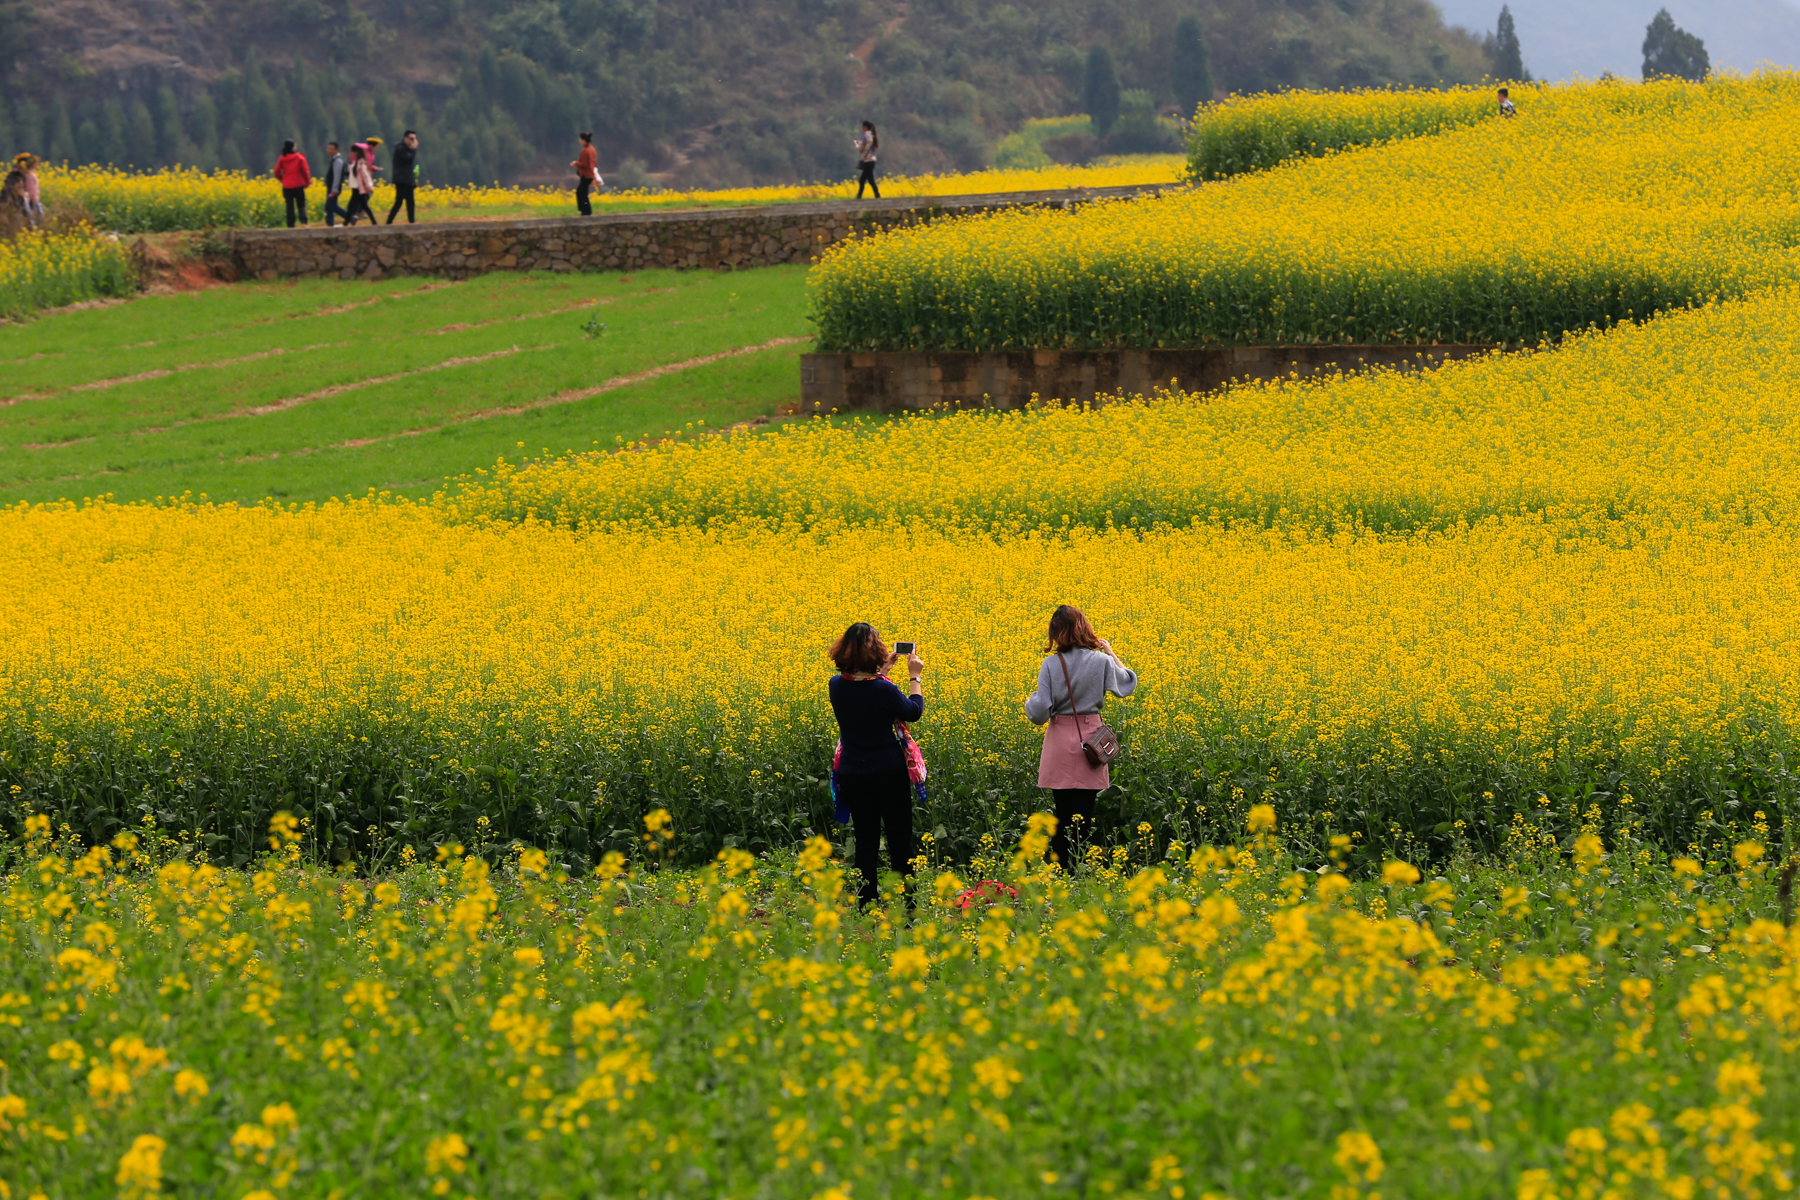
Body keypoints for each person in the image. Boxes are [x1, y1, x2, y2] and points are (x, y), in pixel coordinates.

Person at [1024, 605, 1137, 869]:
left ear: (1056, 633)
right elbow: (1127, 685)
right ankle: (1080, 870)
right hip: (1092, 741)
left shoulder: (1051, 664)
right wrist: (1110, 652)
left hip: (1060, 740)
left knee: (1062, 814)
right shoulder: (1102, 661)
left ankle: (1063, 871)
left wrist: (1030, 702)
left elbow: (1040, 712)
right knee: (1084, 814)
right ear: (1084, 628)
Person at [826, 622, 924, 911]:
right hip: (888, 772)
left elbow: (864, 690)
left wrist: (882, 673)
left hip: (853, 772)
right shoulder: (883, 689)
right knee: (899, 840)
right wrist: (914, 677)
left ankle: (865, 905)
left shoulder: (836, 685)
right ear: (876, 653)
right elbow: (913, 712)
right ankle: (908, 907)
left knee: (865, 841)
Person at [273, 140, 312, 228]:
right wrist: (307, 181)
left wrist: (283, 179)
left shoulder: (282, 158)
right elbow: (305, 171)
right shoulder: (299, 157)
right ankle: (303, 221)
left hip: (287, 186)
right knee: (301, 204)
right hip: (298, 185)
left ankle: (290, 224)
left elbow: (276, 172)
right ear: (293, 147)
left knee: (289, 206)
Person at [386, 129, 418, 224]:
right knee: (398, 202)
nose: (413, 141)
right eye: (411, 139)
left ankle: (411, 222)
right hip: (401, 180)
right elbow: (409, 159)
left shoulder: (408, 149)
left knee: (410, 203)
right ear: (405, 138)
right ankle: (389, 222)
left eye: (414, 139)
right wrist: (414, 149)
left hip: (408, 180)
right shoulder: (400, 148)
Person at [343, 143, 377, 226]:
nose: (351, 154)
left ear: (356, 153)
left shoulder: (360, 163)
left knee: (351, 206)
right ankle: (374, 222)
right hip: (357, 188)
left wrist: (368, 187)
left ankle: (345, 224)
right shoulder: (358, 162)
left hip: (358, 188)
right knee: (363, 206)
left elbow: (364, 176)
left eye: (352, 152)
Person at [321, 142, 349, 227]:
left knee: (331, 206)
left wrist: (334, 190)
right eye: (328, 149)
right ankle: (330, 223)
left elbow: (337, 176)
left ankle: (349, 217)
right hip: (332, 188)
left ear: (337, 150)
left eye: (331, 149)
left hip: (334, 188)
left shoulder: (338, 161)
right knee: (330, 206)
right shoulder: (334, 160)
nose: (329, 151)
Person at [572, 131, 599, 216]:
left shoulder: (585, 151)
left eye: (580, 140)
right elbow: (594, 162)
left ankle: (585, 211)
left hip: (585, 175)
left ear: (584, 140)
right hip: (590, 174)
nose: (580, 141)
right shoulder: (592, 149)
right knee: (583, 193)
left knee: (581, 193)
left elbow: (585, 164)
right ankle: (586, 211)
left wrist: (576, 164)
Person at [15, 154, 43, 228]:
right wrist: (33, 200)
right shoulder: (28, 174)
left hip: (27, 198)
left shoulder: (29, 173)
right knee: (34, 216)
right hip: (28, 199)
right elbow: (30, 189)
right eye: (36, 163)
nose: (38, 164)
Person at [854, 121, 880, 199]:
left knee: (869, 180)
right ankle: (859, 197)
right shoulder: (872, 134)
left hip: (867, 161)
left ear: (865, 127)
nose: (861, 128)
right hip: (872, 160)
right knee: (863, 180)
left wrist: (856, 144)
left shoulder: (865, 135)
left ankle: (877, 196)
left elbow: (861, 148)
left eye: (862, 127)